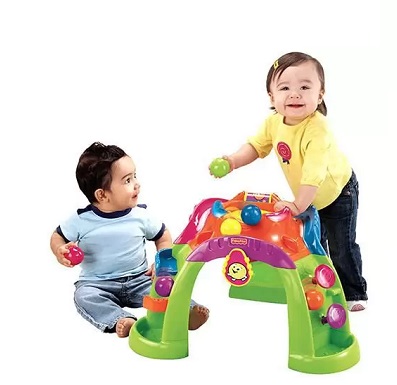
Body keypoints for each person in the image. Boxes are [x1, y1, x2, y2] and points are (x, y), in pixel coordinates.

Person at [210, 51, 367, 312]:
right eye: (284, 88)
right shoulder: (274, 123)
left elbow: (313, 174)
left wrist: (297, 206)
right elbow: (256, 146)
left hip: (338, 193)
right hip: (309, 197)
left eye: (305, 87)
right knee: (314, 245)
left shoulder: (318, 129)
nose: (295, 94)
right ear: (272, 97)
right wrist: (234, 161)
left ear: (320, 94)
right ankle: (323, 286)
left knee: (342, 245)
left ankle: (353, 293)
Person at [51, 142, 209, 337]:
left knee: (165, 287)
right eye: (127, 180)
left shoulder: (140, 215)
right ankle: (120, 319)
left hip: (139, 279)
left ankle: (187, 312)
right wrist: (59, 250)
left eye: (135, 176)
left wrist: (162, 262)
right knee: (84, 296)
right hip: (97, 284)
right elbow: (57, 236)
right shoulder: (81, 220)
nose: (136, 184)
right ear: (102, 195)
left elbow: (162, 236)